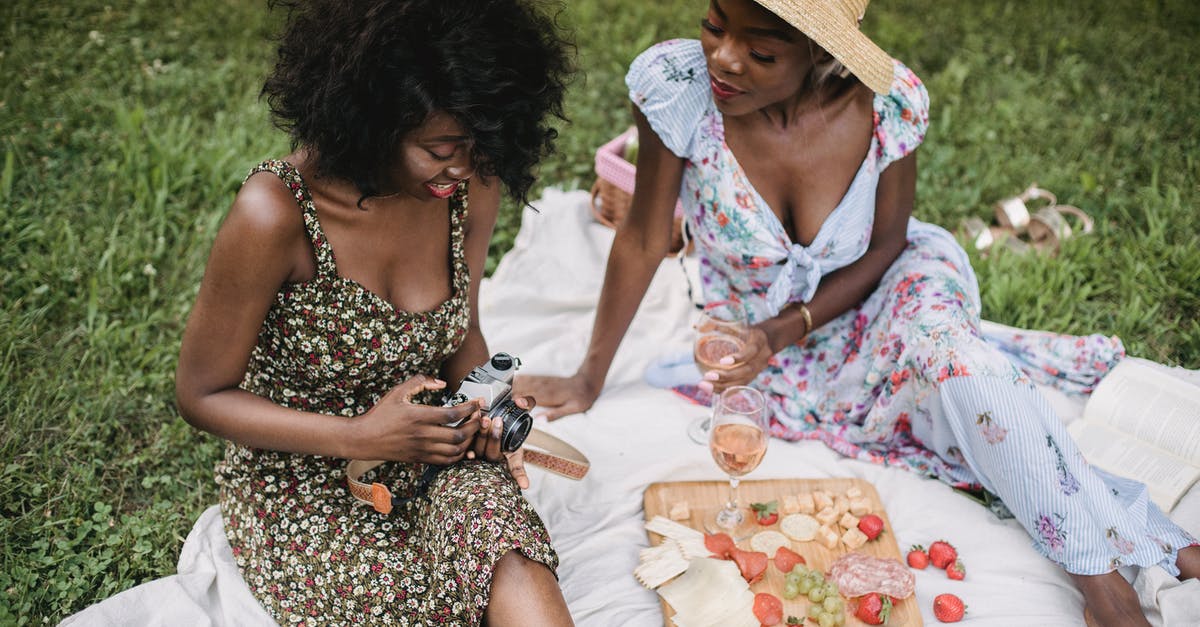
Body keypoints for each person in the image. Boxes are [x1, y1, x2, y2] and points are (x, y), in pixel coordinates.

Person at [515, 1, 1199, 624]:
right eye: (715, 23)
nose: (723, 57)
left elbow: (890, 243)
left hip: (892, 289)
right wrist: (588, 377)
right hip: (789, 363)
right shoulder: (679, 89)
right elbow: (640, 235)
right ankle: (1156, 538)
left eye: (762, 50)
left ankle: (1100, 582)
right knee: (967, 426)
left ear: (821, 52)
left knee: (959, 367)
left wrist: (778, 330)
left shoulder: (886, 102)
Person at [174, 0, 575, 624]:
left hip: (433, 450)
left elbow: (460, 328)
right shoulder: (275, 214)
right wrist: (358, 435)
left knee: (512, 557)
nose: (464, 166)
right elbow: (201, 394)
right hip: (302, 478)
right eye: (441, 147)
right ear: (374, 122)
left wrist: (488, 408)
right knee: (407, 601)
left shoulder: (468, 180)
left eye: (478, 143)